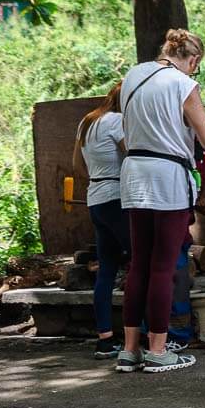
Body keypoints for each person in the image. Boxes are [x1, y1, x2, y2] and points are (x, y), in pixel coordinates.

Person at [117, 29, 205, 374]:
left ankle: (129, 349)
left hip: (133, 173)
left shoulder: (133, 75)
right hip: (167, 177)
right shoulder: (182, 83)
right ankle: (158, 349)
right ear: (193, 60)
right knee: (163, 267)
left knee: (139, 265)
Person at [73, 84, 128, 359]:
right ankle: (142, 337)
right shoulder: (117, 121)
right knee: (143, 261)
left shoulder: (87, 121)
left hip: (95, 196)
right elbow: (134, 155)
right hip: (117, 196)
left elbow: (79, 164)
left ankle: (105, 338)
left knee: (106, 271)